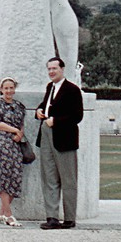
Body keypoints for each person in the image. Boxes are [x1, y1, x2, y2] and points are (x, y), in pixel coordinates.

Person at [35, 57, 83, 229]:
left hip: (64, 137)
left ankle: (69, 218)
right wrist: (39, 111)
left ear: (62, 69)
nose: (51, 72)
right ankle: (52, 217)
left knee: (68, 179)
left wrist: (57, 121)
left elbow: (77, 116)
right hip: (46, 133)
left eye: (54, 68)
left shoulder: (72, 90)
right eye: (49, 69)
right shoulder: (50, 87)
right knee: (49, 177)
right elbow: (47, 106)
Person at [0, 77, 26, 227]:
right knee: (4, 175)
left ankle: (2, 211)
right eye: (6, 88)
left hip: (16, 142)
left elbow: (22, 123)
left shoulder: (19, 106)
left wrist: (20, 133)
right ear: (1, 89)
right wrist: (15, 130)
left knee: (16, 175)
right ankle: (8, 214)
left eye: (11, 88)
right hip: (2, 141)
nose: (9, 91)